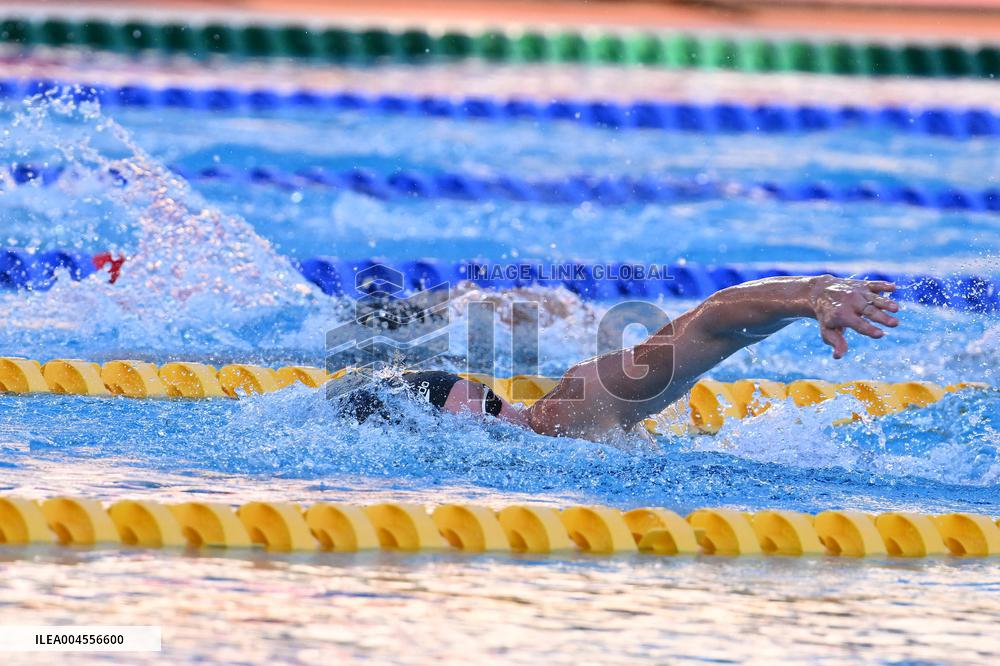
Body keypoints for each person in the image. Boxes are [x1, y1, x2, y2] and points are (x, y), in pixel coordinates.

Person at [333, 274, 899, 441]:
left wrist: (813, 293)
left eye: (490, 403)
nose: (501, 415)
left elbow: (710, 321)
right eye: (484, 410)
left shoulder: (568, 412)